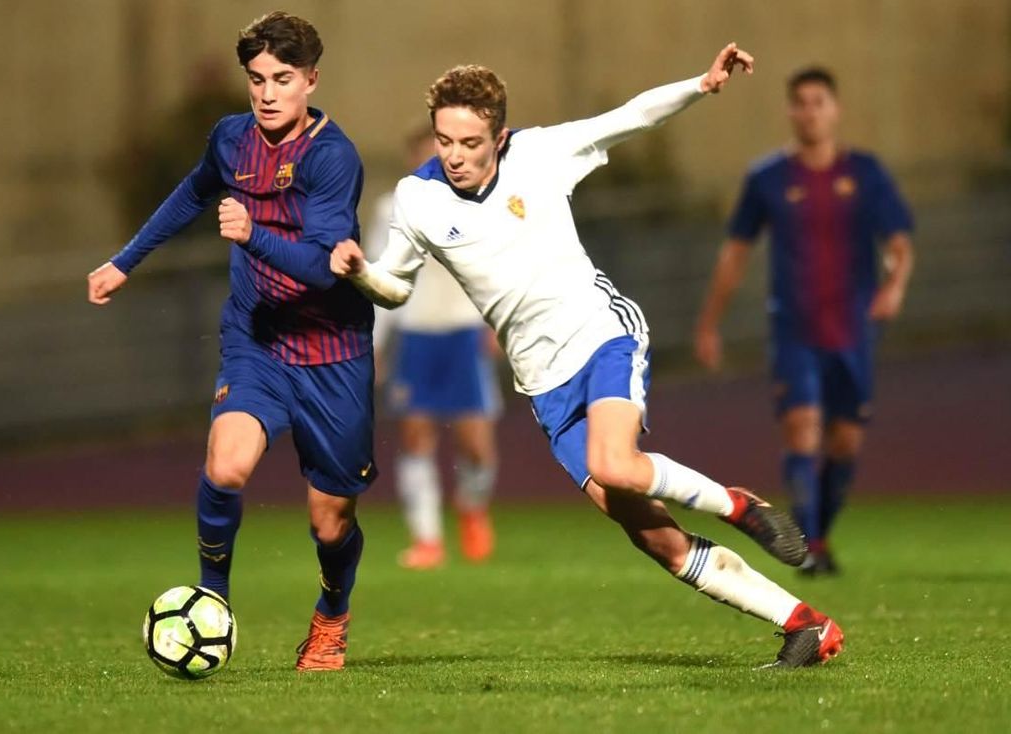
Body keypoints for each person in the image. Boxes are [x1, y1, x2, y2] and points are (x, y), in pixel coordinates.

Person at [332, 44, 845, 668]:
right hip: (541, 383)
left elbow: (631, 117)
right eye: (445, 141)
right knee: (652, 536)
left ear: (499, 136)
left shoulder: (539, 154)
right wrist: (361, 273)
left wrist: (701, 83)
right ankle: (805, 625)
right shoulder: (418, 198)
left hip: (600, 334)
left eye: (470, 142)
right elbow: (395, 286)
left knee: (614, 463)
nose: (455, 155)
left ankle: (739, 506)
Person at [87, 12, 373, 672]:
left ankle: (332, 614)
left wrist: (252, 234)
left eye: (283, 79)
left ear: (311, 80)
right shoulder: (230, 139)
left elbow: (321, 267)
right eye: (257, 79)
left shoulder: (332, 158)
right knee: (226, 466)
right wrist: (125, 261)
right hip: (257, 339)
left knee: (330, 521)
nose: (268, 94)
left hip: (332, 352)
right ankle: (211, 597)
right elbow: (192, 194)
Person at [694, 66, 914, 576]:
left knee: (845, 443)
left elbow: (899, 243)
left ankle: (818, 535)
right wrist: (709, 323)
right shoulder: (768, 178)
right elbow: (735, 253)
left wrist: (895, 284)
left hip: (853, 330)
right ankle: (809, 549)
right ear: (790, 111)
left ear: (835, 110)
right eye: (801, 103)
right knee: (802, 431)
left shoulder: (865, 173)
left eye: (819, 102)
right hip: (794, 330)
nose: (810, 112)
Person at [365, 126, 501, 570]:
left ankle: (471, 505)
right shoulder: (392, 208)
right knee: (415, 437)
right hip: (416, 335)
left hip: (464, 333)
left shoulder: (479, 203)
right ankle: (427, 539)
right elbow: (379, 277)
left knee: (476, 445)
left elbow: (496, 271)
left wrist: (499, 324)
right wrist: (374, 344)